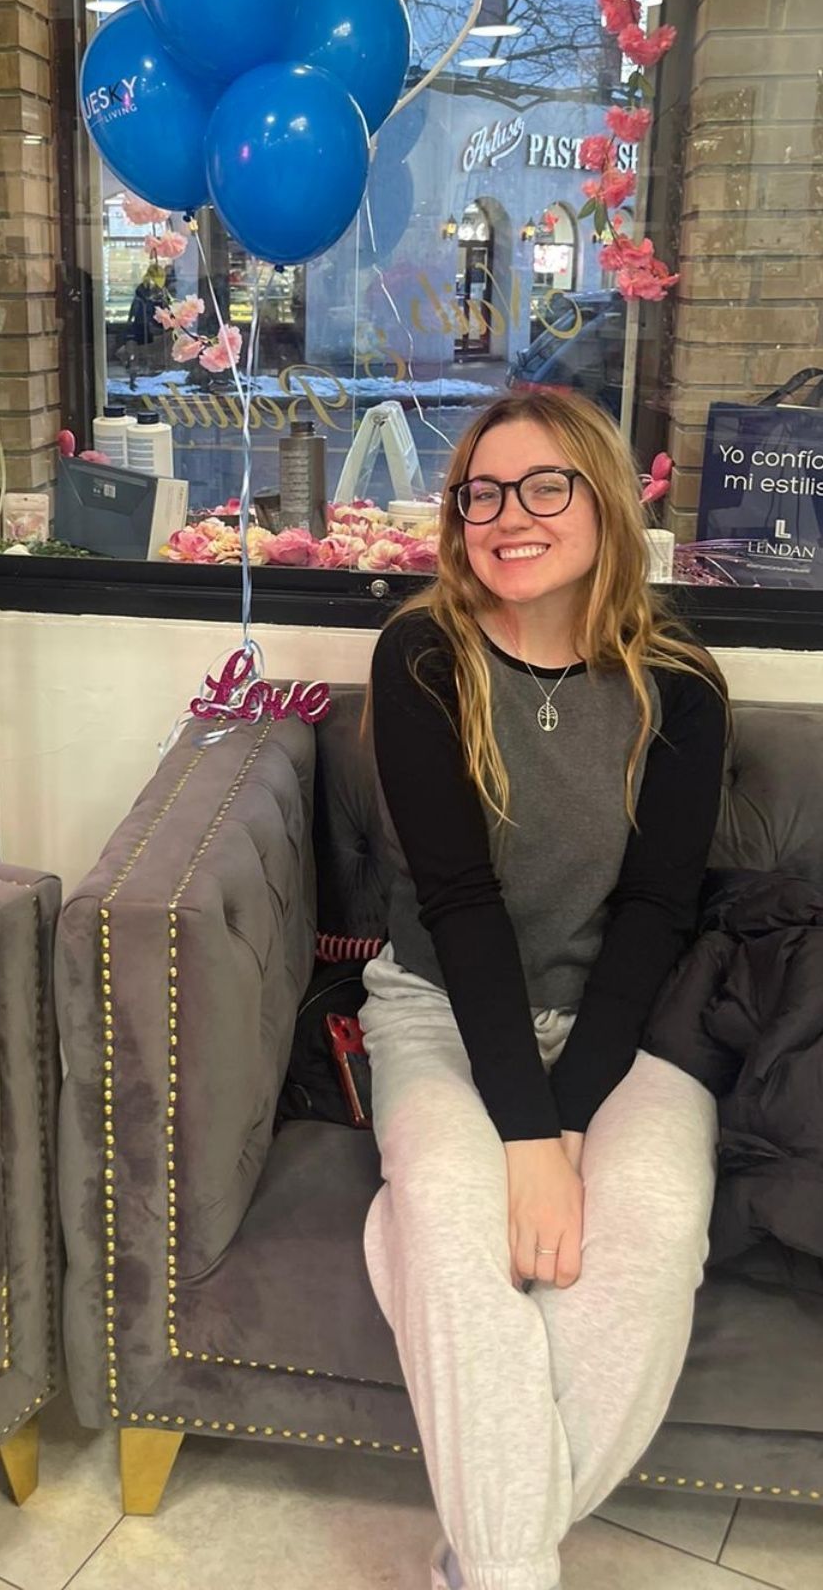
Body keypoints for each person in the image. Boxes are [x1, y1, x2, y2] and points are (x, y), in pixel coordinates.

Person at [362, 386, 728, 1590]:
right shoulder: (422, 654)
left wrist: (566, 1118)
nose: (508, 516)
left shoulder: (680, 681)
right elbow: (458, 905)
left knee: (652, 1231)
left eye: (543, 487)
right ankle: (511, 1575)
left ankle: (486, 1555)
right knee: (468, 1238)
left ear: (604, 501)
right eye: (482, 492)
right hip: (441, 1008)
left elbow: (655, 916)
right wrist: (523, 1132)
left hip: (632, 1029)